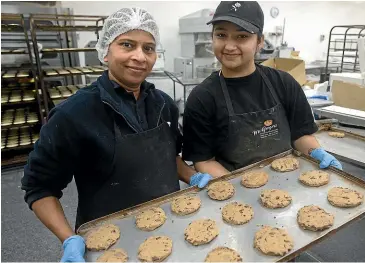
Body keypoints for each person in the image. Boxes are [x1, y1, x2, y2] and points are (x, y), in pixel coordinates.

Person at [21, 8, 212, 262]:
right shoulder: (73, 115)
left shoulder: (164, 105)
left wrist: (192, 175)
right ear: (105, 52)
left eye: (148, 48)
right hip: (109, 242)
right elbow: (39, 187)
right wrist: (68, 238)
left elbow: (168, 156)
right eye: (127, 44)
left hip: (170, 227)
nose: (139, 56)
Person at [182, 1, 342, 177]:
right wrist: (237, 189)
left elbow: (301, 135)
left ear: (259, 41)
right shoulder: (202, 98)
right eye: (221, 35)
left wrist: (315, 152)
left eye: (241, 36)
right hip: (234, 188)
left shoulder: (284, 83)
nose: (229, 46)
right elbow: (204, 161)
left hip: (290, 179)